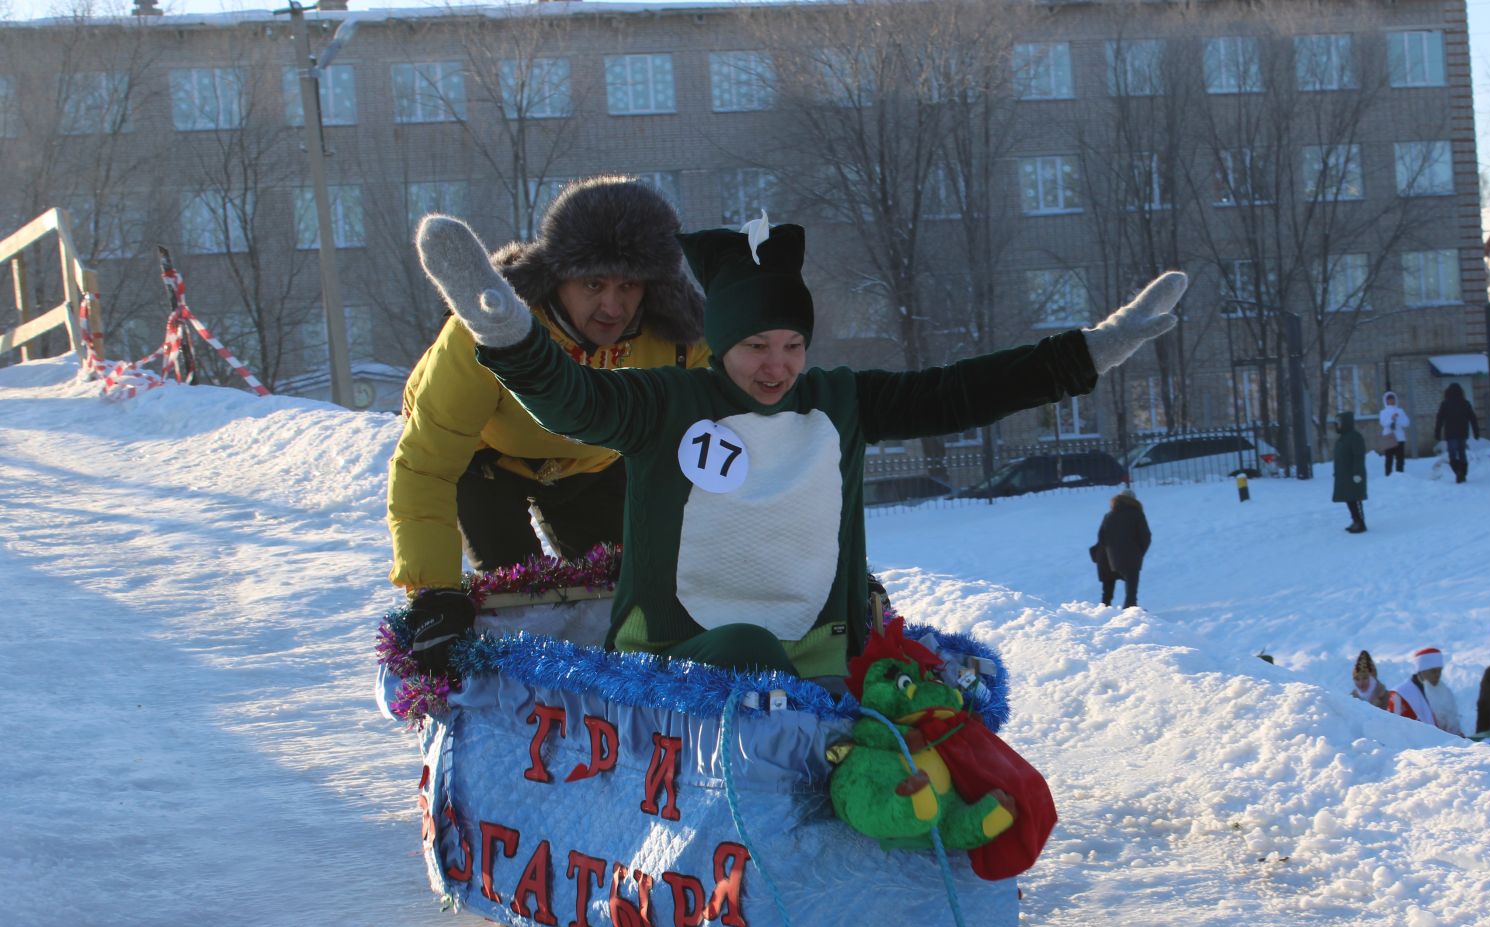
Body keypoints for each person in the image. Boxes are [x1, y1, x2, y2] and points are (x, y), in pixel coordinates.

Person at [412, 211, 1186, 678]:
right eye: (754, 346)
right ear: (718, 348)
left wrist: (1093, 350)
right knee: (744, 651)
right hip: (680, 653)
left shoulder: (839, 401)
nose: (775, 366)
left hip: (817, 648)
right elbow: (573, 402)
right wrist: (507, 331)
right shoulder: (667, 401)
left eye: (791, 344)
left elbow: (960, 391)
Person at [389, 176, 709, 673]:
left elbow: (720, 449)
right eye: (593, 284)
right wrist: (434, 592)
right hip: (486, 458)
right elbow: (426, 468)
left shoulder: (679, 340)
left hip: (593, 460)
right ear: (556, 276)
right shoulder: (485, 330)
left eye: (628, 286)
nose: (611, 305)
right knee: (519, 600)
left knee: (625, 595)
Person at [1094, 490, 1151, 608]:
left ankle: (1104, 609)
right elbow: (1145, 537)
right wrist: (1139, 552)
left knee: (1108, 585)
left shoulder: (1109, 516)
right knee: (1131, 585)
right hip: (1131, 555)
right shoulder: (1137, 514)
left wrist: (1110, 551)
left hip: (1109, 557)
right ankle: (1130, 608)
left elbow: (1101, 537)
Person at [1388, 647, 1463, 735]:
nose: (1437, 675)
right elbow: (1397, 729)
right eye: (1433, 671)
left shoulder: (1444, 691)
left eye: (1439, 671)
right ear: (1421, 671)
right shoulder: (1401, 695)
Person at [1332, 411, 1369, 532]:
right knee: (1349, 499)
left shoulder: (1354, 437)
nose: (1337, 426)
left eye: (1339, 423)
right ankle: (1355, 520)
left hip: (1353, 475)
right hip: (1344, 475)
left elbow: (1359, 456)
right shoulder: (1343, 438)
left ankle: (1360, 523)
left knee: (1355, 498)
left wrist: (1357, 473)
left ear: (1345, 423)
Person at [1435, 382, 1479, 483]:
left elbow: (1440, 419)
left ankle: (1458, 471)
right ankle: (1463, 472)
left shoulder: (1445, 404)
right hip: (1463, 432)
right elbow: (1473, 418)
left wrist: (1437, 432)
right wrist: (1476, 431)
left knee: (1452, 455)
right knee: (1462, 452)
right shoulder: (1465, 403)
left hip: (1450, 434)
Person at [1378, 390, 1409, 475]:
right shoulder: (1383, 412)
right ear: (1385, 400)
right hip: (1389, 437)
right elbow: (1383, 423)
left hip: (1400, 437)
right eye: (1389, 399)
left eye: (1393, 399)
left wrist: (1397, 420)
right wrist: (1391, 418)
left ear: (1395, 400)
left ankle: (1400, 475)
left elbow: (1406, 423)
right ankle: (1388, 476)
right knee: (1389, 458)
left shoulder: (1400, 411)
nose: (1391, 401)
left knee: (1400, 458)